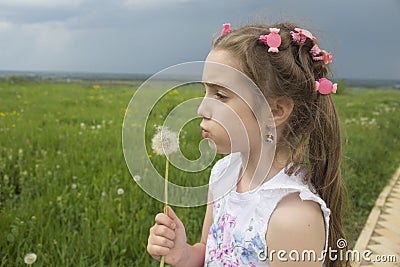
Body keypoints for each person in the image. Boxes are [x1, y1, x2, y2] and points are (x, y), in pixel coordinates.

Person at [147, 22, 346, 267]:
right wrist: (184, 254)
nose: (201, 108)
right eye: (206, 91)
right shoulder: (224, 174)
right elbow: (211, 253)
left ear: (274, 111)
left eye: (220, 95)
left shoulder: (292, 217)